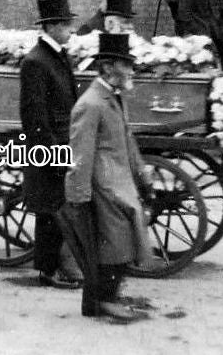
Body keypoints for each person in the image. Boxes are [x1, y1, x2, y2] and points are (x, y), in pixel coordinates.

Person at [65, 33, 154, 321]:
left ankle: (103, 300)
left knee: (121, 242)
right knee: (112, 245)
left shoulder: (113, 98)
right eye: (125, 65)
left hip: (118, 183)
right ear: (106, 68)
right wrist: (79, 197)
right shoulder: (91, 104)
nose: (130, 71)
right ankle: (103, 300)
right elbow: (79, 155)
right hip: (104, 187)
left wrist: (142, 174)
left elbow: (127, 141)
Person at [19, 0, 82, 289]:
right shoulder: (35, 61)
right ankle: (47, 271)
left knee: (57, 206)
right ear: (53, 26)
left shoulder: (58, 55)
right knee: (49, 210)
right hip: (49, 146)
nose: (71, 29)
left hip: (62, 140)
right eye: (67, 24)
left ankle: (57, 264)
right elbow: (35, 116)